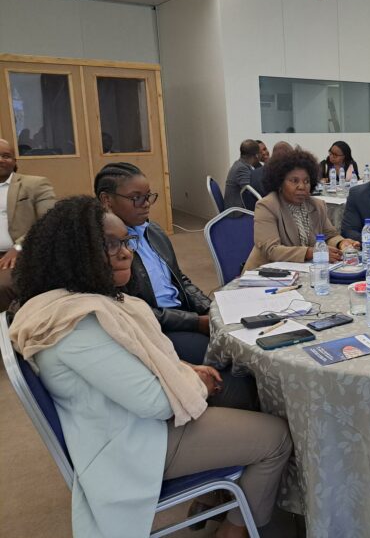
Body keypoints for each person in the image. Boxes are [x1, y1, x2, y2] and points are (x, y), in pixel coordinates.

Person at [10, 196, 291, 538]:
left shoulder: (64, 303)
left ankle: (220, 497)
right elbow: (155, 403)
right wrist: (198, 383)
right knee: (277, 436)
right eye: (109, 245)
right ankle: (235, 530)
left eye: (126, 242)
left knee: (240, 390)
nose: (126, 253)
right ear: (73, 252)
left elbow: (133, 363)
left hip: (124, 421)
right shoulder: (77, 327)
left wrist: (183, 369)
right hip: (133, 443)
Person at [95, 163, 211, 364]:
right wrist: (196, 323)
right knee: (222, 353)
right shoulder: (107, 250)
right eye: (136, 198)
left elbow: (179, 278)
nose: (146, 204)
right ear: (106, 200)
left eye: (148, 196)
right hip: (152, 328)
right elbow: (129, 309)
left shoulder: (153, 231)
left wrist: (209, 308)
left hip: (182, 314)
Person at [244, 148, 358, 268]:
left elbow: (330, 235)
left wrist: (341, 243)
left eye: (306, 181)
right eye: (294, 181)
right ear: (280, 183)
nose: (302, 186)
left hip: (304, 271)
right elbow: (271, 250)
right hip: (266, 273)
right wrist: (310, 252)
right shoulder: (267, 206)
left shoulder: (317, 205)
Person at [0, 138, 56, 312]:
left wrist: (18, 247)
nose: (1, 160)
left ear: (14, 161)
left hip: (20, 255)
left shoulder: (34, 184)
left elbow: (49, 220)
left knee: (2, 286)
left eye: (5, 156)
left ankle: (9, 327)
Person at [224, 140, 261, 208]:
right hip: (237, 210)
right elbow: (250, 192)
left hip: (237, 207)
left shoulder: (240, 164)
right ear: (256, 155)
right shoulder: (241, 168)